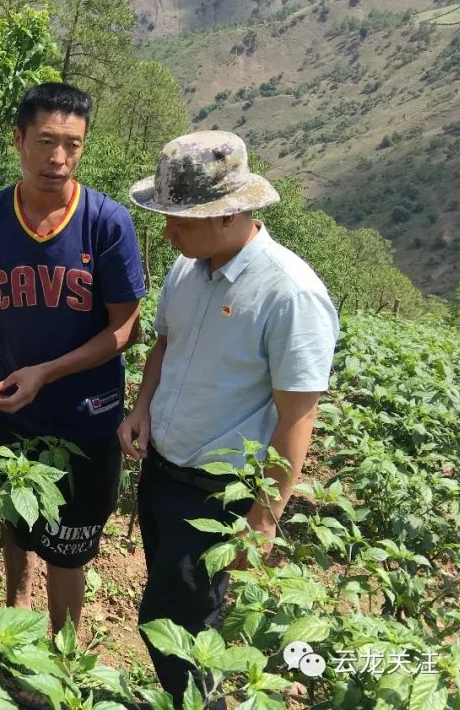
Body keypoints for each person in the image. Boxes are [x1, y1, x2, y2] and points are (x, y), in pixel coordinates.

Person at [118, 131, 339, 708]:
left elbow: (297, 415)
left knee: (181, 626)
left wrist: (263, 522)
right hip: (164, 474)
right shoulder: (188, 270)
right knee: (173, 612)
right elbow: (166, 343)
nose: (167, 232)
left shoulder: (290, 294)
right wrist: (142, 408)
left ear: (229, 215)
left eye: (180, 221)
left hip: (218, 496)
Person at [0, 82, 146, 634]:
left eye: (73, 145)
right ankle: (16, 607)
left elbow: (124, 330)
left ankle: (60, 650)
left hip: (87, 417)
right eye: (45, 142)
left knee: (69, 545)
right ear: (18, 140)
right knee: (15, 521)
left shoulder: (107, 224)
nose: (58, 159)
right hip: (14, 408)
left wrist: (47, 373)